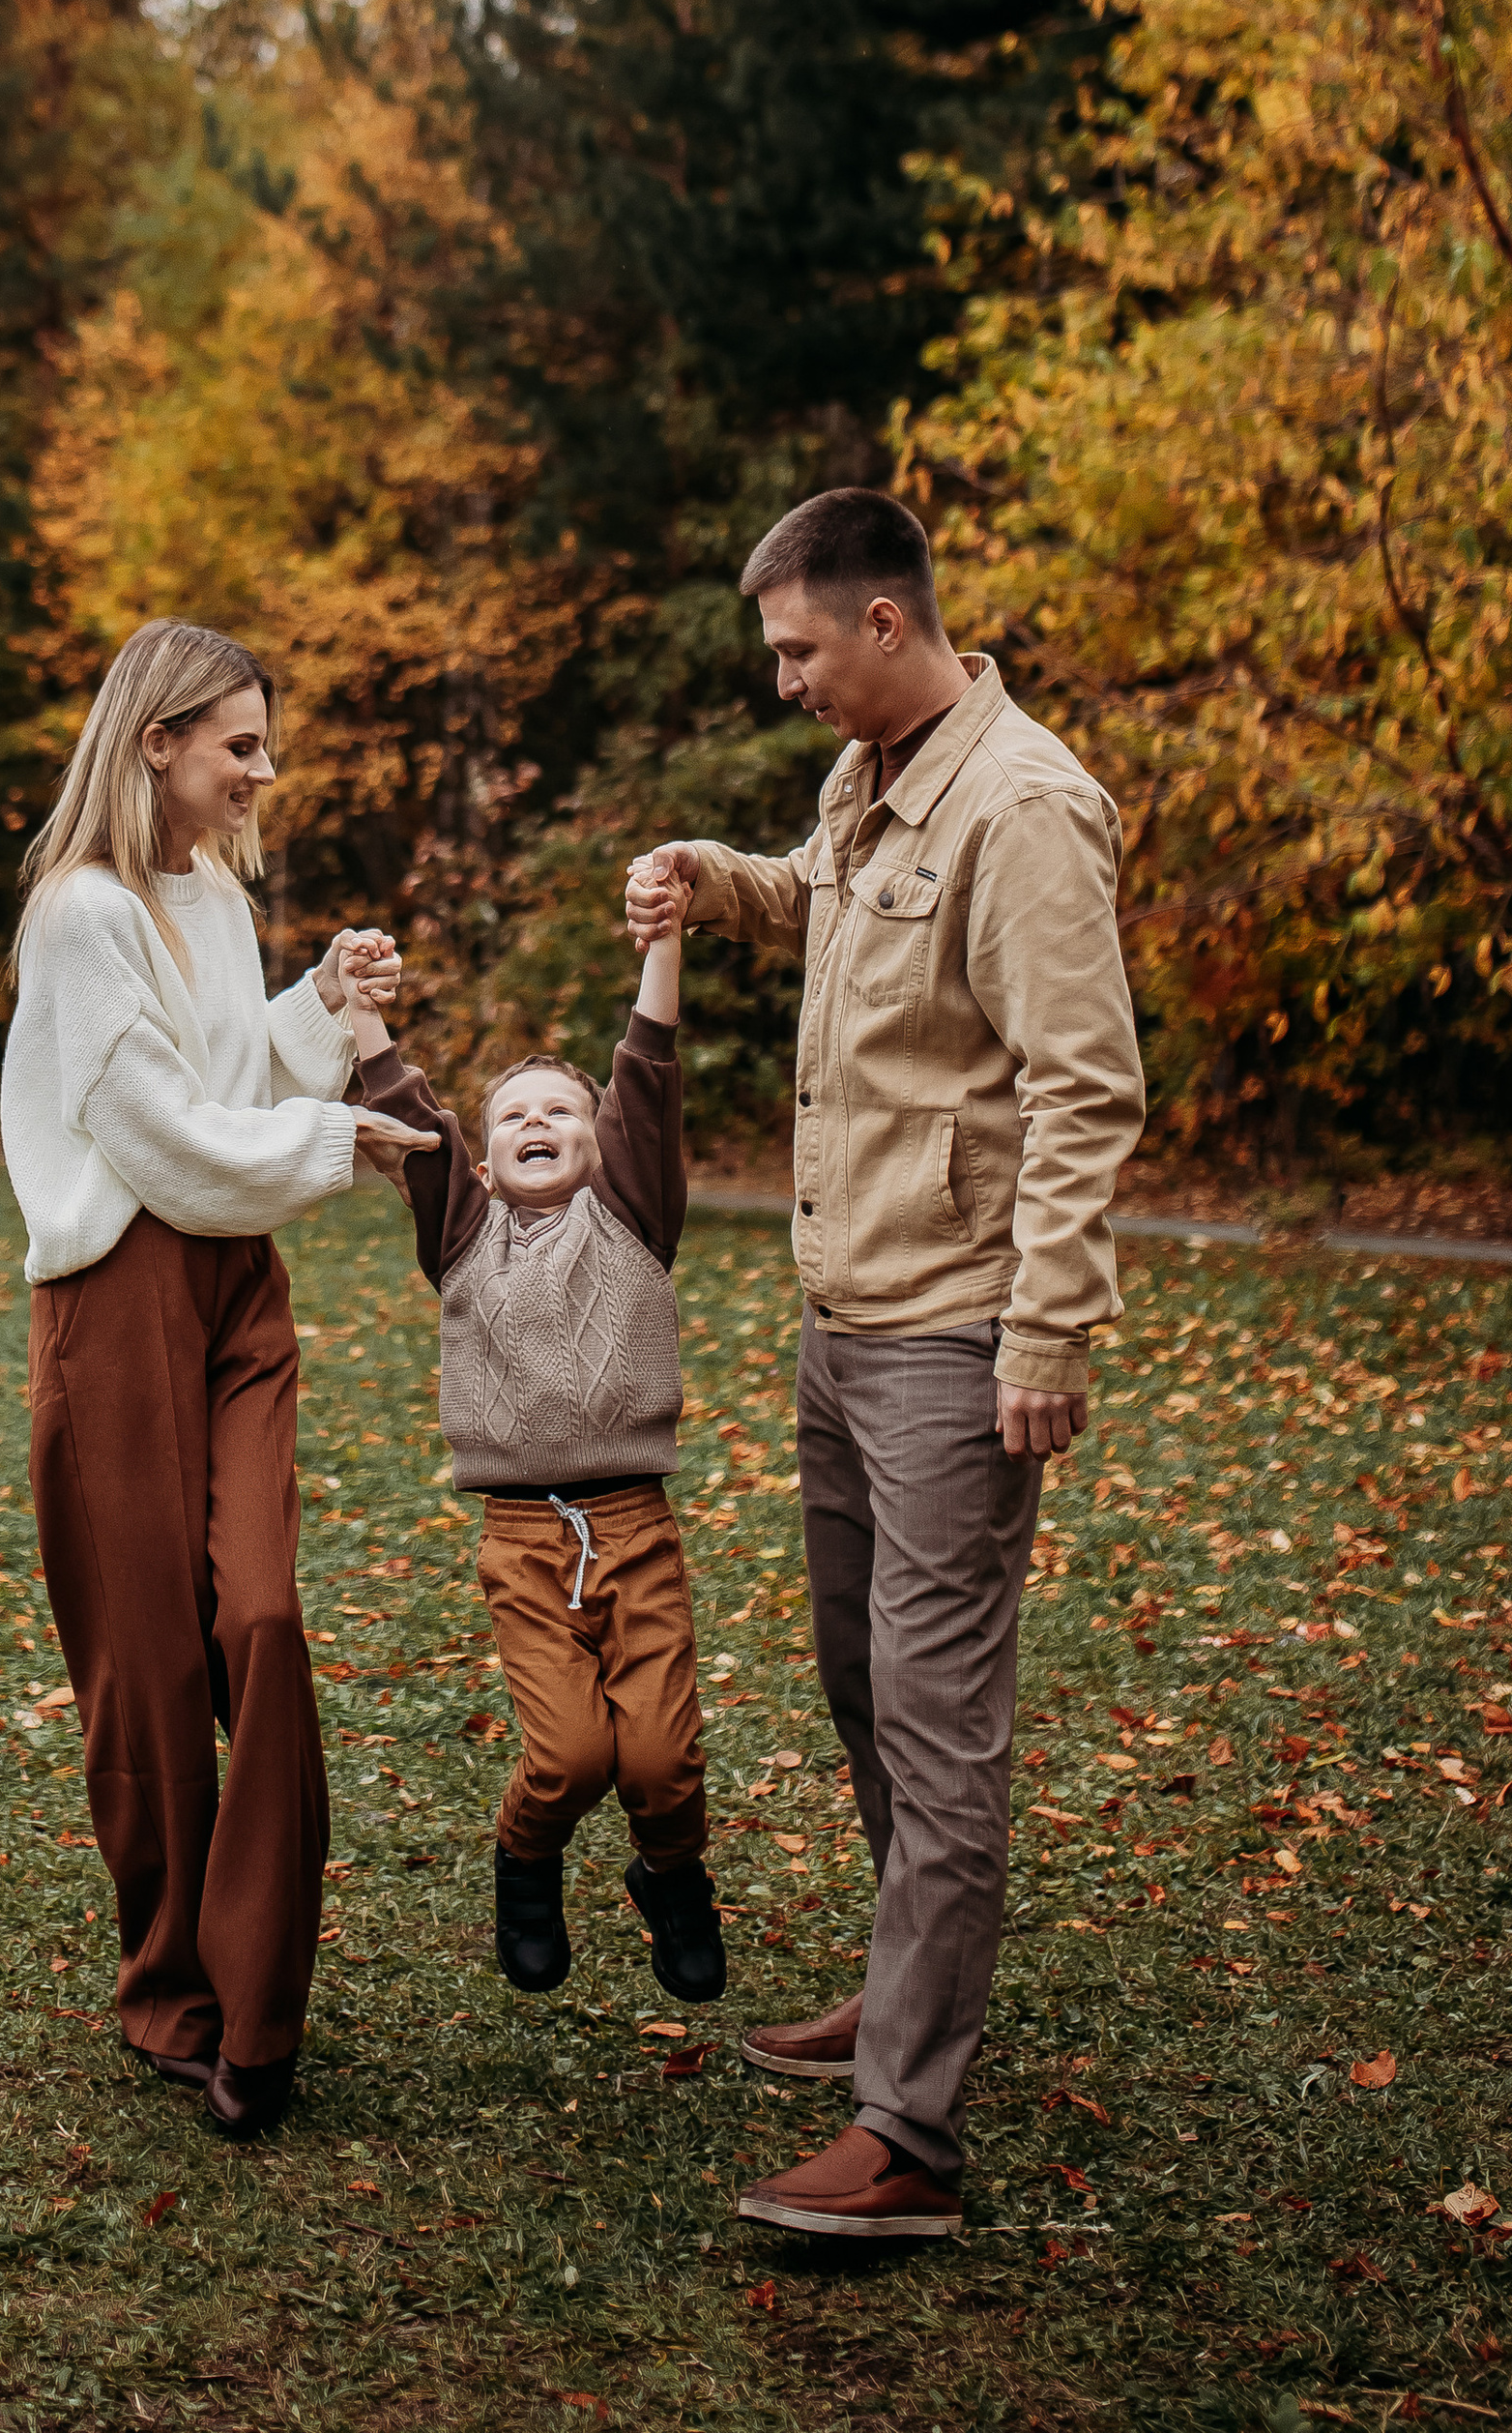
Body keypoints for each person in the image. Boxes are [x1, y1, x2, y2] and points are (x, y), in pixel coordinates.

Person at [625, 488, 1144, 2242]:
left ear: (885, 623)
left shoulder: (1024, 807)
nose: (783, 683)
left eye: (796, 650)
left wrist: (1048, 1330)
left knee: (937, 1719)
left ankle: (909, 2133)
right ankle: (903, 1992)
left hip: (953, 1337)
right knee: (861, 1678)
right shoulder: (872, 776)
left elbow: (1085, 1087)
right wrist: (717, 882)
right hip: (842, 1318)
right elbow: (829, 908)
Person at [1, 618, 419, 2138]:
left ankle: (264, 2002)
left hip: (238, 1294)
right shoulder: (81, 914)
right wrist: (342, 1140)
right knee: (152, 1674)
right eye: (241, 745)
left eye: (265, 744)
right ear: (157, 742)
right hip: (119, 1301)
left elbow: (231, 1083)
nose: (263, 771)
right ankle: (175, 1994)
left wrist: (321, 1005)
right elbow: (158, 1136)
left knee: (264, 1619)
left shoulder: (216, 902)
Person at [340, 873, 726, 2008]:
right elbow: (411, 1116)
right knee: (569, 1758)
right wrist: (360, 1011)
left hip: (635, 1530)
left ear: (604, 1146)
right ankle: (525, 1862)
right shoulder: (464, 1237)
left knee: (660, 1760)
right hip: (523, 1540)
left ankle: (672, 1878)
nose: (537, 1125)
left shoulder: (634, 1217)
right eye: (512, 1117)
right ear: (482, 1161)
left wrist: (663, 942)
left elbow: (647, 1074)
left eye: (561, 1111)